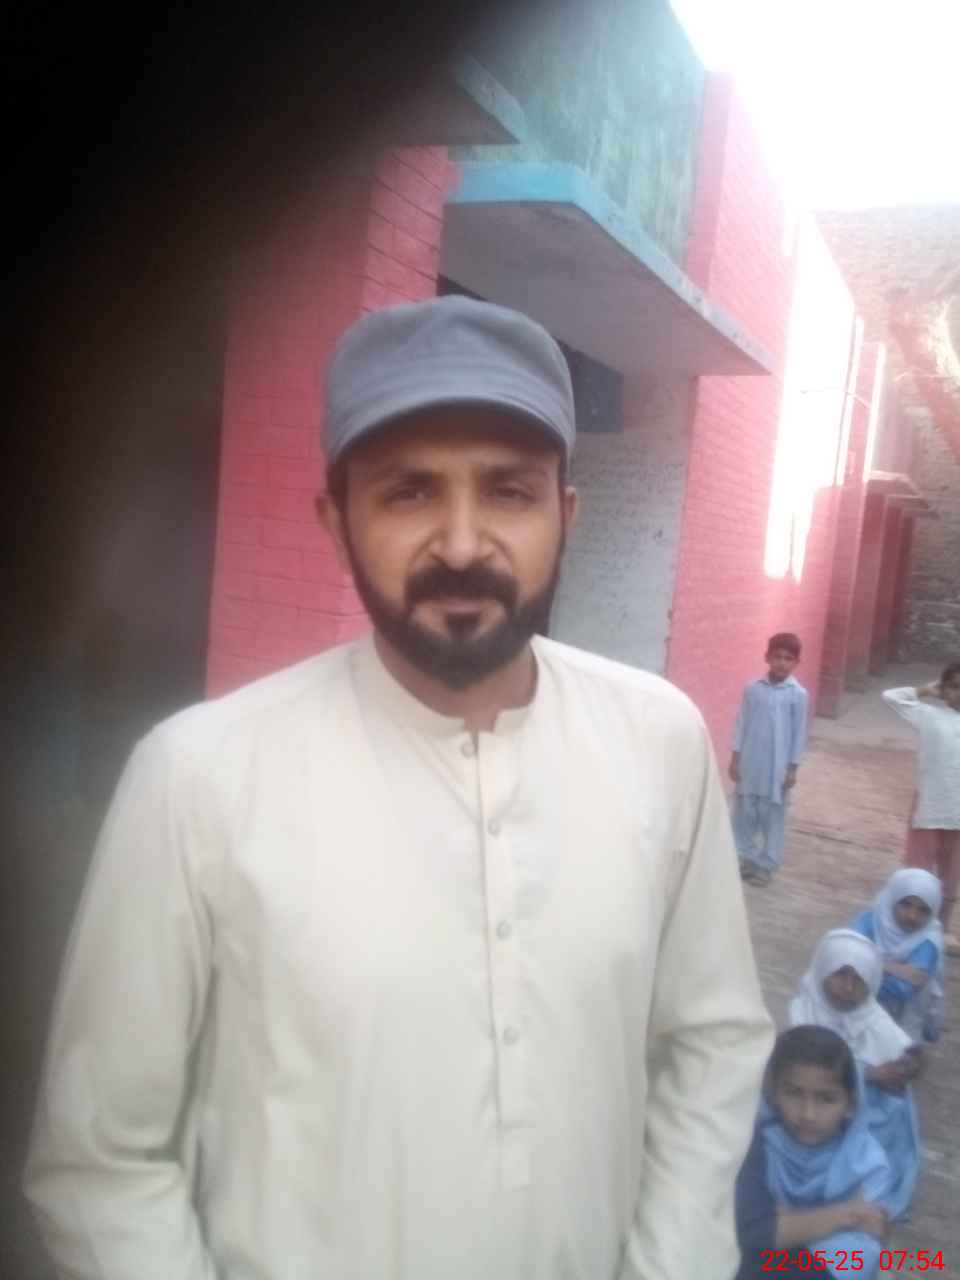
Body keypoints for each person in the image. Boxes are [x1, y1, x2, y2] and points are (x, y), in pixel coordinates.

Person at [24, 296, 774, 1280]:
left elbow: (712, 1044)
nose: (461, 543)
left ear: (566, 515)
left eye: (509, 490)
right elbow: (101, 1162)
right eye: (409, 492)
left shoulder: (659, 740)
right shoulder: (198, 775)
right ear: (336, 522)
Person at [735, 1025, 891, 1279]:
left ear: (850, 1104)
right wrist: (846, 1214)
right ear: (773, 1094)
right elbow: (754, 1234)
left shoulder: (866, 1163)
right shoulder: (759, 1145)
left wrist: (787, 1221)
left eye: (826, 1099)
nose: (808, 1114)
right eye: (794, 1093)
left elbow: (868, 1236)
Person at [789, 929, 920, 1222]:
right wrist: (868, 1073)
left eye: (858, 979)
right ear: (823, 969)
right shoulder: (803, 1012)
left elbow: (903, 1057)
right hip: (809, 1117)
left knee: (895, 1108)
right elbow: (804, 1068)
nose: (847, 988)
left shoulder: (875, 1020)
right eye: (840, 975)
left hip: (865, 1127)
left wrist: (904, 1068)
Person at [882, 663, 960, 956]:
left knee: (951, 876)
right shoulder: (929, 715)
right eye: (954, 686)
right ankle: (908, 928)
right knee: (919, 873)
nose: (959, 693)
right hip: (930, 807)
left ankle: (942, 930)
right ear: (944, 689)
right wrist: (925, 690)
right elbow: (891, 697)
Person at [728, 633, 809, 886]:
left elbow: (799, 733)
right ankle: (747, 859)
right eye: (777, 657)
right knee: (745, 812)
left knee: (772, 816)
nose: (782, 663)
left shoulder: (798, 694)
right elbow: (741, 724)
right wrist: (735, 759)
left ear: (796, 662)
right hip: (751, 762)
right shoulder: (753, 689)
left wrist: (792, 769)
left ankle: (767, 865)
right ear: (767, 657)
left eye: (788, 658)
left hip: (778, 768)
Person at [850, 868, 944, 1043]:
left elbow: (903, 989)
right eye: (905, 904)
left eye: (923, 910)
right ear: (893, 898)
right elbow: (846, 957)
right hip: (853, 1003)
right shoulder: (870, 920)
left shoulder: (929, 940)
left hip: (900, 1019)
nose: (912, 916)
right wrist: (891, 967)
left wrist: (864, 971)